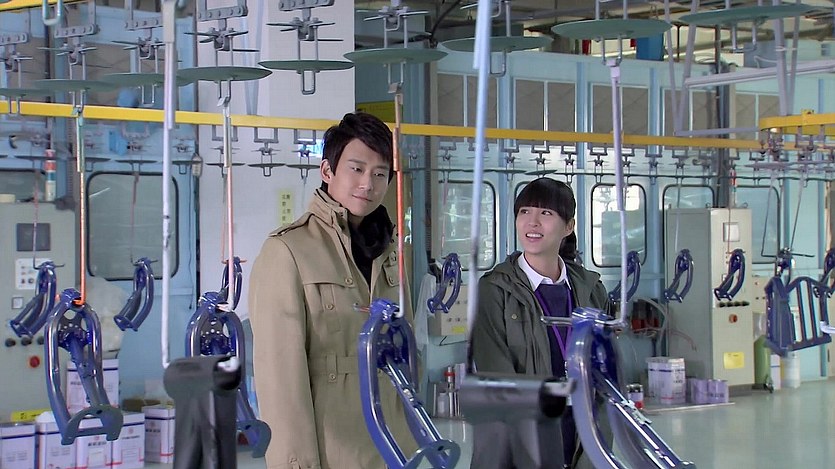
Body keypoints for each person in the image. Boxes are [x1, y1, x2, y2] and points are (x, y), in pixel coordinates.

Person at [249, 112, 414, 469]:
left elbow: (407, 351)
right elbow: (279, 377)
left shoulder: (389, 250)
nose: (367, 184)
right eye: (356, 169)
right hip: (332, 448)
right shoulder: (288, 250)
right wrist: (296, 462)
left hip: (393, 447)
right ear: (327, 171)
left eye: (380, 173)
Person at [470, 177, 609, 469]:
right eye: (524, 212)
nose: (532, 222)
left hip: (581, 438)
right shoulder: (496, 290)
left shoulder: (591, 289)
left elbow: (603, 375)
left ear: (568, 227)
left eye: (545, 213)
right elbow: (498, 378)